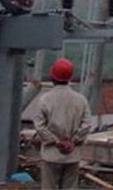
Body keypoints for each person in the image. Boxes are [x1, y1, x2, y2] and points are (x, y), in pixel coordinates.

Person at [34, 58, 92, 189]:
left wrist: (56, 142)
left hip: (51, 155)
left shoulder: (45, 100)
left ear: (52, 77)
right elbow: (87, 124)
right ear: (70, 78)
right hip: (72, 155)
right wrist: (73, 141)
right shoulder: (80, 100)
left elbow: (40, 126)